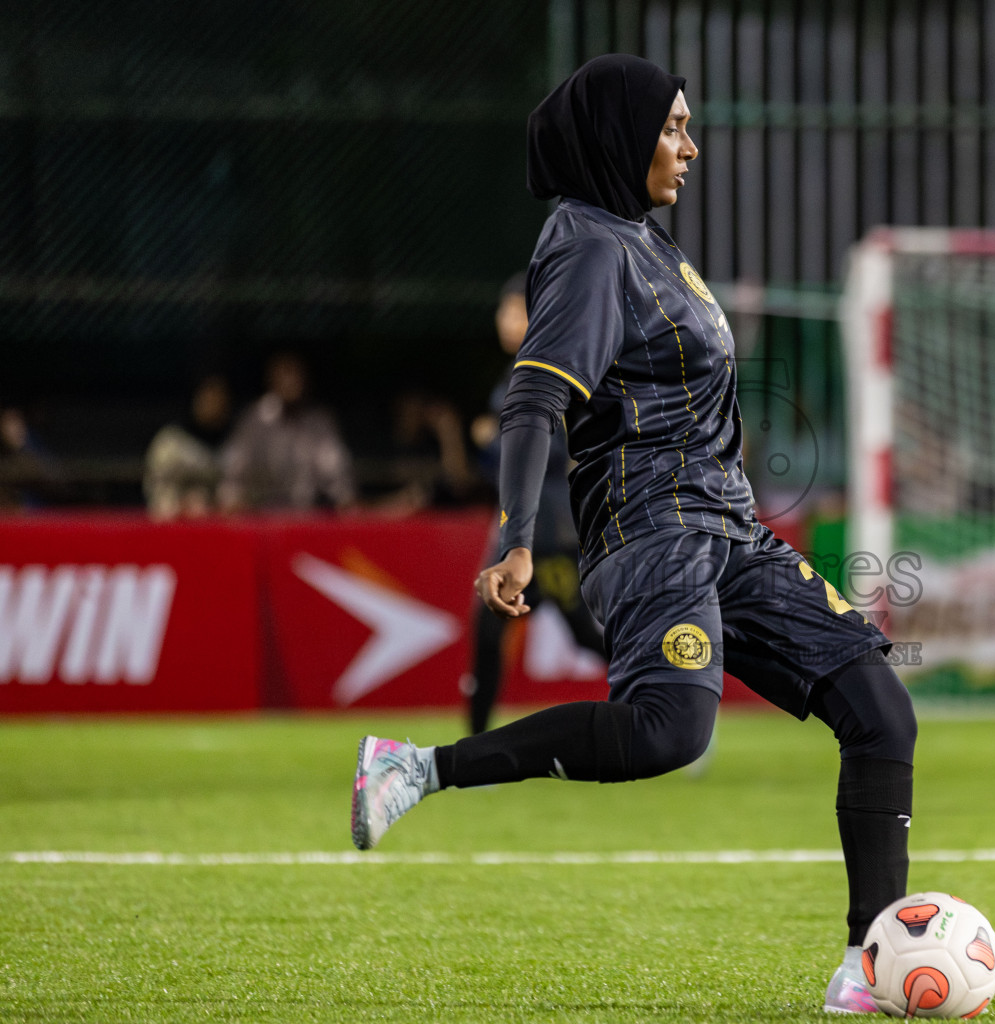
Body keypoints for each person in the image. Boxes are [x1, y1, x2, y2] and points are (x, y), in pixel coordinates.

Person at [349, 54, 916, 1015]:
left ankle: (873, 966)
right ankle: (416, 768)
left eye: (688, 127)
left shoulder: (643, 241)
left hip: (727, 528)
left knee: (881, 713)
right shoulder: (587, 244)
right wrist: (517, 536)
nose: (690, 147)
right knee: (668, 733)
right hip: (651, 532)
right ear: (620, 138)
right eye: (671, 128)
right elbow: (536, 393)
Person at [462, 272, 606, 736]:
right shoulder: (517, 375)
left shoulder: (551, 375)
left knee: (587, 633)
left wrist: (491, 441)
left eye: (513, 311)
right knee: (489, 635)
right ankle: (476, 747)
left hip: (546, 535)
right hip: (523, 532)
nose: (503, 320)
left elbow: (548, 452)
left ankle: (675, 688)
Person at [219, 352, 356, 512]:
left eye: (295, 375)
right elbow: (233, 472)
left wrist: (346, 499)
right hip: (261, 516)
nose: (290, 382)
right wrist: (232, 500)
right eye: (284, 374)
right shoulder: (254, 421)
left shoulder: (319, 423)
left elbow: (337, 473)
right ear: (271, 380)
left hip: (307, 515)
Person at [144, 374, 233, 520]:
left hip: (219, 525)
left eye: (219, 398)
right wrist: (180, 505)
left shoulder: (237, 441)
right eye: (207, 398)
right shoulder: (171, 441)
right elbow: (157, 493)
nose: (213, 404)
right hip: (176, 527)